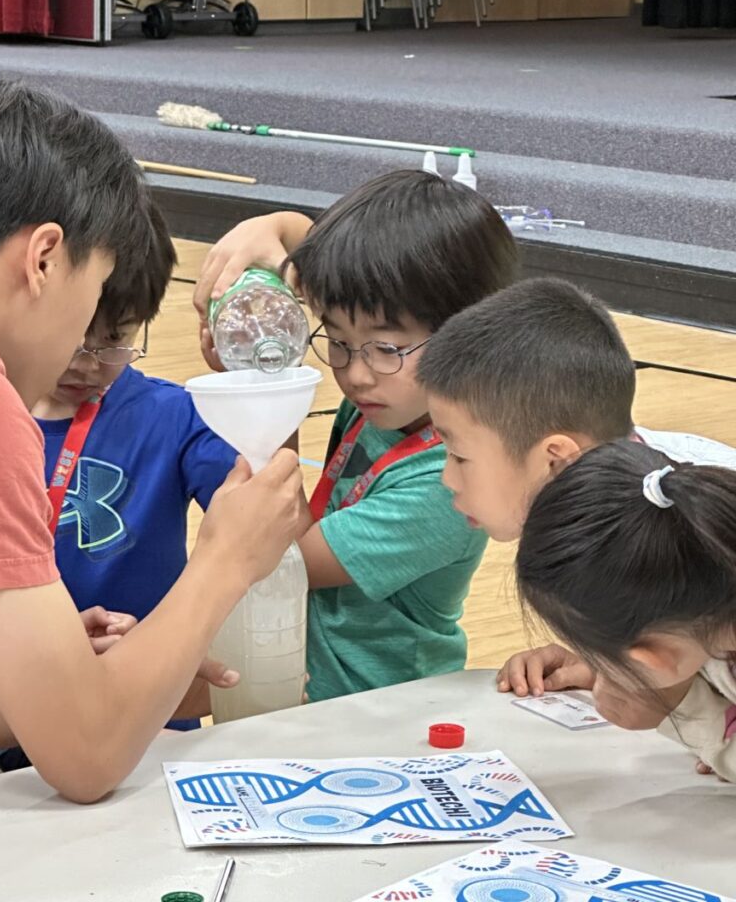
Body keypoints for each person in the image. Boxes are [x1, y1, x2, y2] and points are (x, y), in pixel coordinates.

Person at [0, 81, 300, 802]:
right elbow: (88, 760)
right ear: (46, 258)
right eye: (95, 293)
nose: (84, 349)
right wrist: (225, 562)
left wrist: (50, 681)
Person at [195, 170, 519, 701]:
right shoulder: (392, 400)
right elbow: (316, 251)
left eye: (386, 348)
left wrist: (269, 394)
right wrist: (273, 224)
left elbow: (281, 556)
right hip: (313, 701)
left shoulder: (446, 486)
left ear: (471, 333)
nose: (356, 373)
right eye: (339, 342)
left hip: (384, 714)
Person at [415, 277, 736, 692]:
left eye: (459, 455)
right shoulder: (631, 501)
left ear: (556, 459)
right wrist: (605, 661)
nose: (447, 477)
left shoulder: (681, 522)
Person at [513, 440, 736, 783]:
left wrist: (678, 708)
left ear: (653, 661)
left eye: (608, 663)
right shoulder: (710, 570)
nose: (605, 673)